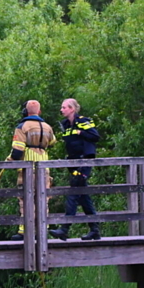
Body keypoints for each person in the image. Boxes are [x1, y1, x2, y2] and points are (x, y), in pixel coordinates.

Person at [49, 98, 101, 241]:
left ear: (72, 109)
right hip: (73, 162)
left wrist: (80, 133)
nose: (62, 110)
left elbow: (95, 136)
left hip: (84, 160)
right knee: (83, 196)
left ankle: (64, 229)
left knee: (73, 192)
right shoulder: (65, 125)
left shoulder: (83, 121)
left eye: (64, 107)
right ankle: (94, 229)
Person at [7, 100, 56, 241]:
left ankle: (24, 231)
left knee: (25, 198)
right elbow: (52, 141)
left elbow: (17, 150)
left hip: (28, 168)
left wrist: (10, 161)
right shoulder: (47, 127)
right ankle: (42, 230)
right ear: (39, 112)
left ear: (25, 111)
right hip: (44, 167)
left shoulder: (22, 126)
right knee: (43, 198)